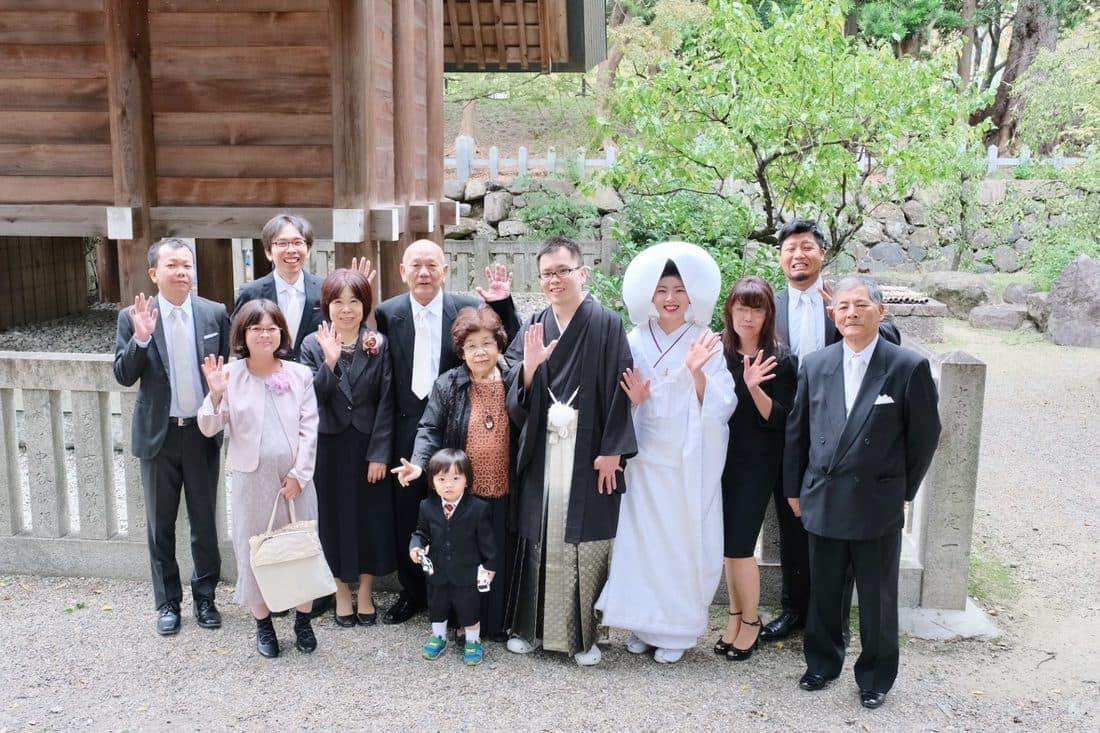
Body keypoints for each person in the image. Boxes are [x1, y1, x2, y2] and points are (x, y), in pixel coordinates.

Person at [785, 276, 940, 709]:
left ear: (880, 311)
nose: (851, 313)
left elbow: (925, 435)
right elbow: (797, 432)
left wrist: (900, 488)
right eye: (842, 306)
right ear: (832, 314)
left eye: (860, 305)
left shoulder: (906, 365)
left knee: (877, 595)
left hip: (877, 499)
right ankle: (822, 663)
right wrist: (794, 488)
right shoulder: (816, 364)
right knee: (825, 590)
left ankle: (875, 676)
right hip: (825, 495)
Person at [594, 242, 736, 664]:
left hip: (686, 461)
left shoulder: (705, 341)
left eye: (678, 289)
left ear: (692, 294)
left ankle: (675, 630)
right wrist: (633, 401)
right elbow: (615, 397)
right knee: (640, 542)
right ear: (648, 295)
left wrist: (696, 374)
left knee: (679, 542)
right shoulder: (635, 339)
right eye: (661, 290)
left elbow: (723, 404)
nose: (670, 299)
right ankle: (641, 623)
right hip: (643, 458)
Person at [762, 218, 902, 642]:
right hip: (786, 429)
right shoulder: (773, 304)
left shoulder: (844, 300)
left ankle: (833, 620)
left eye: (806, 246)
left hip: (840, 435)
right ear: (780, 257)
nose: (797, 254)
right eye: (789, 248)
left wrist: (845, 307)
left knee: (837, 530)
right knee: (790, 523)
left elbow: (890, 339)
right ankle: (793, 609)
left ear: (823, 253)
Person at [503, 236, 637, 666]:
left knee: (586, 537)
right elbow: (514, 388)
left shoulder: (606, 323)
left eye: (563, 271)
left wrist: (614, 449)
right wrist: (529, 367)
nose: (554, 280)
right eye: (547, 273)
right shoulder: (535, 325)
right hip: (544, 446)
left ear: (582, 272)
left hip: (590, 445)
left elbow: (622, 384)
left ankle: (585, 637)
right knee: (537, 532)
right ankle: (530, 628)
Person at [374, 239, 520, 625]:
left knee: (456, 515)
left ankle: (461, 599)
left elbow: (505, 342)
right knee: (411, 513)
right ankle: (413, 592)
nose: (424, 273)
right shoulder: (387, 312)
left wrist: (503, 303)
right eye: (415, 266)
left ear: (445, 270)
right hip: (409, 427)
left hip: (457, 425)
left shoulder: (463, 309)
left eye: (431, 265)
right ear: (403, 271)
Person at [113, 238, 230, 637]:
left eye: (187, 265)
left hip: (201, 432)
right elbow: (124, 375)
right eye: (173, 266)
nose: (182, 273)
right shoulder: (134, 317)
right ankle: (167, 603)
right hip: (158, 437)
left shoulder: (214, 313)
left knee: (204, 522)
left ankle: (206, 597)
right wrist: (141, 338)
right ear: (154, 274)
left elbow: (227, 371)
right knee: (159, 524)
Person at [197, 299, 322, 659]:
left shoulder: (299, 374)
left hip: (295, 479)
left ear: (281, 332)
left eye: (271, 328)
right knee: (253, 551)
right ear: (243, 334)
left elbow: (309, 428)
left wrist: (300, 474)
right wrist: (216, 393)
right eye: (256, 328)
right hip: (252, 479)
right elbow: (208, 426)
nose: (264, 334)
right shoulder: (231, 375)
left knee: (301, 548)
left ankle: (303, 621)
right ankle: (264, 625)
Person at [392, 305, 515, 642]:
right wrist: (419, 463)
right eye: (471, 345)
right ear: (461, 350)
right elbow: (429, 428)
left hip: (507, 486)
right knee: (465, 557)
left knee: (498, 554)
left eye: (487, 343)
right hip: (464, 490)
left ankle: (496, 624)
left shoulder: (516, 377)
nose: (480, 351)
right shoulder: (449, 383)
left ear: (499, 345)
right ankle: (466, 621)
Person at [299, 269, 394, 627]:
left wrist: (380, 454)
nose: (346, 310)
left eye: (354, 301)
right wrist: (330, 360)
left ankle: (366, 591)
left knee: (371, 516)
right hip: (329, 445)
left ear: (365, 305)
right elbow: (309, 398)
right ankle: (340, 589)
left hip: (368, 444)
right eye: (338, 302)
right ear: (327, 306)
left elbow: (387, 401)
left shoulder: (378, 343)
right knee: (333, 517)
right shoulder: (312, 343)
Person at [715, 276, 798, 661]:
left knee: (741, 546)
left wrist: (753, 387)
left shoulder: (780, 359)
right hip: (718, 457)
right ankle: (735, 616)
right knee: (728, 548)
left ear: (768, 314)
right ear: (730, 310)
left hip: (757, 461)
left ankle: (751, 621)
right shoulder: (717, 350)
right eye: (740, 307)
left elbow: (782, 419)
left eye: (756, 308)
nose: (747, 317)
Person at [409, 449, 497, 666]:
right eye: (441, 479)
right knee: (437, 606)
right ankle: (438, 637)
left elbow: (487, 541)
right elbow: (420, 532)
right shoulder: (427, 506)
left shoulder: (478, 508)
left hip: (467, 572)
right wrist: (416, 547)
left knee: (469, 608)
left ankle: (473, 641)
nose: (448, 484)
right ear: (432, 481)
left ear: (467, 480)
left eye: (456, 478)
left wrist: (490, 565)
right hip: (437, 570)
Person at [233, 214, 324, 362]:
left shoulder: (325, 290)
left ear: (308, 250)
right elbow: (238, 341)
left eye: (297, 242)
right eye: (282, 243)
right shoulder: (251, 293)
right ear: (268, 252)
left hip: (314, 377)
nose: (291, 250)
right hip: (266, 376)